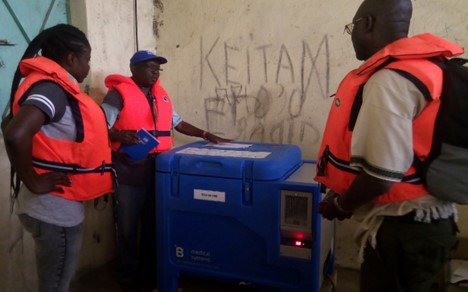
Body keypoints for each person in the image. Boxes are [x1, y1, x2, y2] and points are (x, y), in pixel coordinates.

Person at [315, 0, 463, 291]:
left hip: (403, 232)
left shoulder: (389, 81)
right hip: (435, 222)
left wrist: (341, 205)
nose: (353, 36)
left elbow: (380, 178)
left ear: (367, 23)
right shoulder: (430, 69)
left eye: (352, 28)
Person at [101, 50, 231, 289]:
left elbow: (177, 122)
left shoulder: (160, 95)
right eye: (150, 67)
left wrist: (206, 134)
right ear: (133, 69)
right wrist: (118, 135)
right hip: (130, 171)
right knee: (128, 227)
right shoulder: (117, 95)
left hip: (159, 170)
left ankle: (152, 272)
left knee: (156, 223)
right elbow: (98, 126)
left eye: (158, 68)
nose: (155, 72)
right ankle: (128, 275)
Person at [2, 24, 114, 292]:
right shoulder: (53, 89)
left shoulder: (46, 86)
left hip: (49, 207)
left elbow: (8, 122)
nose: (88, 67)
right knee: (56, 286)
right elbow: (15, 134)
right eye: (87, 59)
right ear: (71, 58)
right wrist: (35, 182)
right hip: (54, 210)